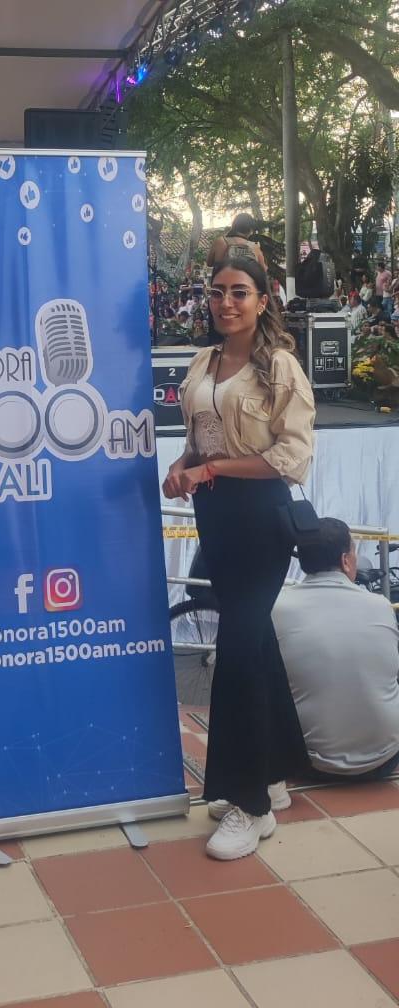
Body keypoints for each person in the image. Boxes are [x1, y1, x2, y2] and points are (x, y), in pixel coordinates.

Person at [162, 257, 315, 861]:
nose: (226, 303)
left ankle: (247, 803)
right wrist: (183, 466)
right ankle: (273, 776)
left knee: (239, 651)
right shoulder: (204, 361)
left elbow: (291, 458)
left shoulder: (280, 367)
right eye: (217, 292)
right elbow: (200, 439)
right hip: (216, 518)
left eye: (239, 293)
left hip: (260, 518)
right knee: (255, 644)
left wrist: (212, 470)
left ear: (262, 299)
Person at [272, 518, 399, 780]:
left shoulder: (276, 607)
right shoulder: (381, 605)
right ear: (345, 560)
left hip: (309, 764)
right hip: (386, 758)